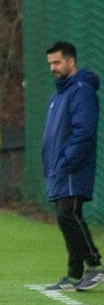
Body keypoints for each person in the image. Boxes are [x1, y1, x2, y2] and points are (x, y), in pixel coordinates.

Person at [42, 41, 104, 291]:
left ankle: (94, 265)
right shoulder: (60, 93)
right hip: (60, 168)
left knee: (70, 214)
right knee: (65, 216)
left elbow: (84, 131)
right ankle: (74, 272)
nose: (53, 68)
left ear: (70, 61)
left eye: (57, 62)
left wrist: (67, 160)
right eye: (50, 64)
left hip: (72, 168)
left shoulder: (81, 90)